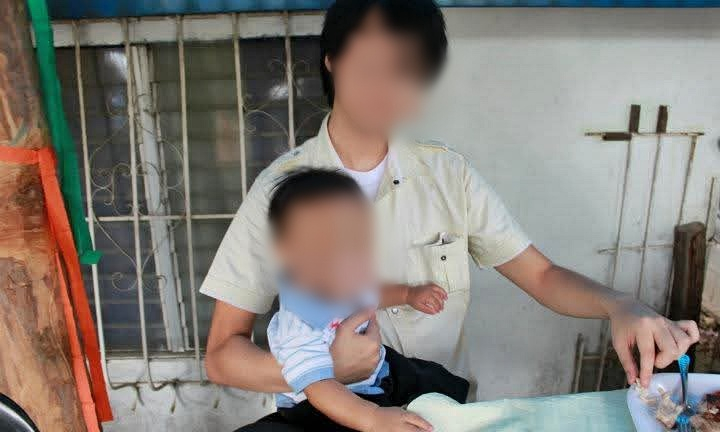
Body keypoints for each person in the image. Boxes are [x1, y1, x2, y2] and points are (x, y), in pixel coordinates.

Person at [201, 0, 700, 429]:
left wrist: (620, 306)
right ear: (332, 59)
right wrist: (321, 368)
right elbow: (223, 354)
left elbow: (541, 275)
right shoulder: (280, 191)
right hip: (325, 417)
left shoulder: (448, 175)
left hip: (435, 415)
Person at [247, 168, 467, 432]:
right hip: (322, 401)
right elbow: (318, 386)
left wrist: (408, 294)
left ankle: (462, 409)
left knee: (432, 378)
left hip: (376, 369)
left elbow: (371, 293)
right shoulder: (299, 321)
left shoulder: (344, 280)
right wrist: (373, 418)